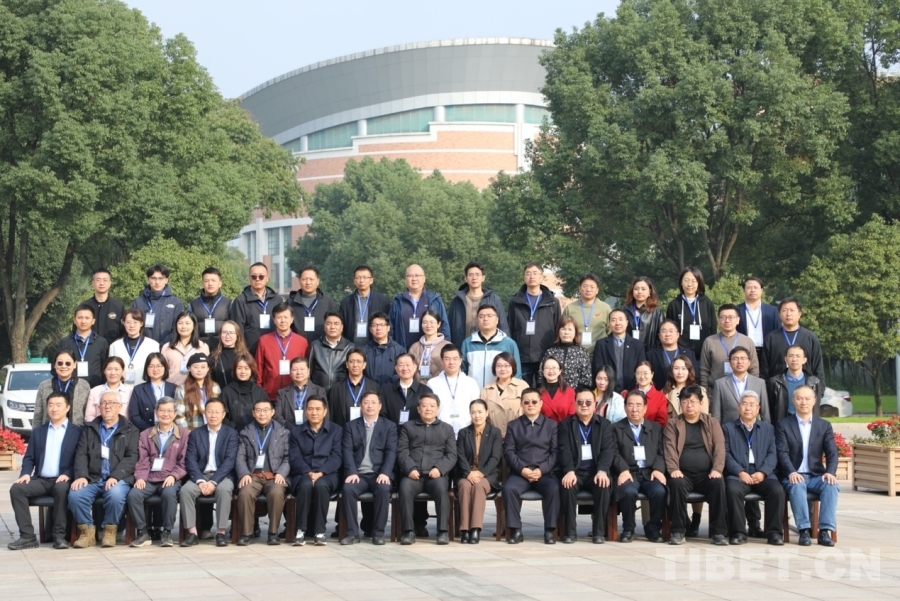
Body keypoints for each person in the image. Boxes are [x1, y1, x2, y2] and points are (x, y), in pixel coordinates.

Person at [8, 392, 82, 550]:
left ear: (67, 408)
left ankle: (59, 536)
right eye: (51, 405)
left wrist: (68, 473)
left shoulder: (77, 432)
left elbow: (80, 458)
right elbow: (29, 457)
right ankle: (27, 536)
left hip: (64, 479)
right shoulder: (39, 432)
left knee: (61, 489)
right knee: (17, 489)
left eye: (59, 405)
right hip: (41, 480)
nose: (54, 409)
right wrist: (25, 474)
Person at [68, 391, 139, 548]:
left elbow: (132, 457)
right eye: (104, 403)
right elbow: (81, 454)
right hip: (92, 477)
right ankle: (87, 533)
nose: (107, 406)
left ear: (119, 406)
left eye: (112, 403)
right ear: (98, 407)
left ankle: (109, 531)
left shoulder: (130, 430)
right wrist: (81, 476)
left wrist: (115, 476)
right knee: (76, 495)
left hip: (118, 478)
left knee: (115, 494)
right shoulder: (89, 428)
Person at [775, 385, 839, 546]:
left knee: (831, 485)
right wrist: (791, 472)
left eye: (807, 398)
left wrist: (830, 472)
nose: (803, 402)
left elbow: (832, 453)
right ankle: (804, 530)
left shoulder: (824, 426)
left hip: (816, 475)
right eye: (799, 398)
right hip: (792, 475)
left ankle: (824, 531)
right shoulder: (783, 424)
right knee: (797, 485)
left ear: (814, 401)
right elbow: (782, 452)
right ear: (793, 400)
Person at [664, 386, 728, 545]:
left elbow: (720, 449)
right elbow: (669, 449)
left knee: (718, 483)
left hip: (706, 474)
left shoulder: (712, 423)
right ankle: (678, 531)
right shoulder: (673, 423)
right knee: (676, 484)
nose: (689, 405)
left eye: (692, 401)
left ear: (701, 403)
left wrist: (717, 469)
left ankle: (718, 532)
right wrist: (674, 469)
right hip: (682, 474)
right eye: (684, 402)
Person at [722, 390, 785, 546]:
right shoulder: (728, 428)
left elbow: (773, 454)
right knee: (732, 490)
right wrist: (740, 472)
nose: (748, 408)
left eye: (752, 404)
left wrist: (763, 472)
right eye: (744, 404)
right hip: (738, 474)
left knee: (777, 491)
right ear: (738, 407)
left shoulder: (768, 428)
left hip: (763, 473)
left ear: (758, 408)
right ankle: (738, 532)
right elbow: (726, 454)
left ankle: (774, 533)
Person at [127, 397, 189, 547]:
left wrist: (174, 476)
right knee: (134, 495)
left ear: (175, 414)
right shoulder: (145, 434)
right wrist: (141, 477)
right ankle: (143, 532)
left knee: (169, 493)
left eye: (169, 411)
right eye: (162, 410)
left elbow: (184, 461)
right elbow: (142, 459)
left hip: (170, 478)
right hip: (149, 478)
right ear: (156, 412)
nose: (165, 414)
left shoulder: (184, 434)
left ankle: (166, 532)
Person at [397, 393, 457, 545]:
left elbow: (451, 455)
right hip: (414, 474)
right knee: (404, 488)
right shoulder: (408, 427)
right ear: (418, 409)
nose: (428, 409)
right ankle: (408, 531)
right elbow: (402, 452)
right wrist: (410, 468)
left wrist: (440, 469)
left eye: (432, 406)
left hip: (436, 475)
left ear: (438, 409)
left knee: (442, 489)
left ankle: (442, 531)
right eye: (424, 406)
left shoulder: (447, 429)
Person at [558, 387, 616, 544]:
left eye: (588, 402)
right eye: (580, 402)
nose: (584, 405)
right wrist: (569, 470)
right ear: (575, 404)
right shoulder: (565, 425)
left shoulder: (605, 425)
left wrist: (602, 470)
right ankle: (570, 532)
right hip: (575, 471)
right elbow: (564, 450)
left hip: (595, 471)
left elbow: (608, 450)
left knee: (604, 485)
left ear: (595, 404)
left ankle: (599, 532)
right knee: (567, 486)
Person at [179, 398, 239, 547]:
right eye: (210, 411)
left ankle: (220, 532)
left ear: (223, 414)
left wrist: (213, 482)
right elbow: (190, 459)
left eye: (217, 412)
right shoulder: (195, 434)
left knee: (224, 490)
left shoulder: (231, 434)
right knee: (186, 491)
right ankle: (192, 533)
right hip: (201, 475)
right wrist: (200, 480)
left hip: (222, 476)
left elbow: (229, 461)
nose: (213, 415)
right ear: (205, 413)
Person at [503, 388, 560, 545]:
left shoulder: (552, 425)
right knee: (509, 488)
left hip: (544, 473)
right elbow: (509, 452)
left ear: (541, 403)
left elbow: (555, 453)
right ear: (521, 404)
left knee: (554, 488)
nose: (530, 405)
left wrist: (541, 470)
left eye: (534, 402)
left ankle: (549, 530)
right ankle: (516, 530)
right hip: (521, 473)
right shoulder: (514, 425)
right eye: (526, 402)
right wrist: (523, 469)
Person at [340, 392, 397, 546]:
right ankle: (352, 533)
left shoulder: (389, 426)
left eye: (373, 402)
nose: (369, 406)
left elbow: (391, 452)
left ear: (380, 406)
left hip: (379, 474)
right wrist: (352, 472)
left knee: (383, 490)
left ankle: (378, 533)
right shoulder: (351, 426)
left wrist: (385, 473)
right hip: (359, 474)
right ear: (361, 406)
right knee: (348, 489)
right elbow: (347, 451)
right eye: (366, 402)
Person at [611, 390, 667, 543]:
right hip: (629, 472)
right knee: (628, 492)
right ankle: (629, 529)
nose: (634, 409)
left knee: (659, 491)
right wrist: (623, 469)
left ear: (645, 408)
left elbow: (662, 452)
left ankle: (653, 528)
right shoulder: (616, 428)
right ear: (625, 408)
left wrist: (658, 469)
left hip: (650, 472)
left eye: (638, 405)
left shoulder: (656, 428)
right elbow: (613, 452)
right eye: (630, 405)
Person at [235, 398, 291, 546]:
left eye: (266, 410)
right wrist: (244, 474)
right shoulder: (245, 432)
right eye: (258, 410)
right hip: (253, 475)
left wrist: (281, 473)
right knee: (245, 493)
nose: (262, 414)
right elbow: (240, 457)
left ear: (272, 412)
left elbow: (288, 457)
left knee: (276, 493)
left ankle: (273, 533)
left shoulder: (283, 432)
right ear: (253, 413)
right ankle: (247, 533)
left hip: (274, 475)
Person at [289, 396, 342, 546]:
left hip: (328, 474)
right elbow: (295, 457)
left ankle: (320, 531)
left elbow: (337, 456)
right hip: (303, 472)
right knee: (305, 485)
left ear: (325, 411)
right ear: (306, 411)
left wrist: (322, 472)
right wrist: (308, 472)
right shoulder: (296, 432)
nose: (314, 412)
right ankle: (300, 530)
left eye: (318, 409)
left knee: (321, 485)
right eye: (310, 409)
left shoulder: (336, 430)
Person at [455, 399, 502, 544]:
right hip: (466, 474)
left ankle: (475, 528)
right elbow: (460, 455)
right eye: (473, 412)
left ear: (487, 413)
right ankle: (464, 529)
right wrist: (469, 473)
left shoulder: (495, 432)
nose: (477, 415)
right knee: (465, 486)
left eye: (480, 412)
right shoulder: (463, 432)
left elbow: (495, 457)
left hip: (487, 475)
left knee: (478, 486)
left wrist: (480, 473)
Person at [507, 262, 561, 386]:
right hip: (521, 355)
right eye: (528, 273)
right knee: (523, 389)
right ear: (524, 277)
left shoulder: (552, 302)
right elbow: (510, 327)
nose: (532, 276)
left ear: (542, 277)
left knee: (543, 390)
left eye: (535, 273)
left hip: (545, 354)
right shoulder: (515, 302)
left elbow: (558, 327)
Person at [762, 298, 826, 383]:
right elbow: (764, 370)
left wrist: (819, 389)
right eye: (784, 310)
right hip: (777, 388)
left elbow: (818, 369)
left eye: (792, 310)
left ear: (799, 314)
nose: (788, 314)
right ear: (779, 314)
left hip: (805, 388)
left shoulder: (810, 338)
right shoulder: (771, 338)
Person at [255, 302, 310, 401]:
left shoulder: (302, 342)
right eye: (279, 317)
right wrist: (259, 391)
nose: (283, 320)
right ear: (274, 320)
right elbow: (259, 368)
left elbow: (306, 369)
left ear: (292, 319)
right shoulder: (264, 340)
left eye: (286, 317)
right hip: (270, 394)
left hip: (295, 395)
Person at [389, 264, 451, 350]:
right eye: (410, 276)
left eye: (417, 275)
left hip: (430, 352)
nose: (414, 279)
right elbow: (390, 329)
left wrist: (446, 350)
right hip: (403, 352)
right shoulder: (398, 301)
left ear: (424, 278)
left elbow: (444, 327)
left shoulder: (435, 300)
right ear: (405, 279)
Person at [460, 303, 521, 389]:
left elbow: (516, 372)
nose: (485, 319)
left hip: (499, 393)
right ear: (477, 320)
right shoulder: (468, 343)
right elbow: (462, 370)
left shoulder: (509, 343)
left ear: (497, 320)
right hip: (473, 392)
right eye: (481, 316)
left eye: (489, 316)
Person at [449, 261, 510, 345]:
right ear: (466, 278)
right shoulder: (457, 301)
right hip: (462, 347)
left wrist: (506, 347)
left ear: (483, 278)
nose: (474, 278)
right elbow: (449, 326)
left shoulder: (494, 300)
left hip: (489, 347)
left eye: (477, 274)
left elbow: (503, 326)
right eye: (470, 275)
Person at [229, 262, 285, 354]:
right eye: (254, 277)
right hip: (250, 351)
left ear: (267, 278)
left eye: (261, 276)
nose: (257, 279)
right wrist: (242, 353)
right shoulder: (241, 300)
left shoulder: (277, 299)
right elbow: (238, 329)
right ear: (249, 278)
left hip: (274, 349)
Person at [699, 304, 760, 388]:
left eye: (731, 317)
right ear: (718, 320)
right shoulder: (709, 342)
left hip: (742, 390)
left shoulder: (747, 342)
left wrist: (751, 390)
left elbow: (754, 369)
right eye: (723, 317)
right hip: (715, 390)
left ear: (738, 320)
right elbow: (704, 370)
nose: (727, 320)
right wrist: (705, 391)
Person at [427, 344, 479, 435]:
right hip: (440, 433)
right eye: (447, 359)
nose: (451, 362)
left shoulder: (471, 383)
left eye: (455, 359)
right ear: (441, 361)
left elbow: (476, 408)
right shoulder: (432, 383)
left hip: (467, 432)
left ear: (460, 361)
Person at [665, 267, 717, 357]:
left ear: (699, 283)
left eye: (693, 281)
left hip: (703, 353)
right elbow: (669, 330)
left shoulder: (707, 303)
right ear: (681, 282)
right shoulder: (674, 305)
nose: (689, 284)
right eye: (686, 280)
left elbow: (713, 328)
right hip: (680, 354)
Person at [710, 346, 771, 424]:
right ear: (730, 363)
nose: (739, 362)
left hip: (753, 429)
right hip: (728, 429)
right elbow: (716, 416)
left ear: (749, 362)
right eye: (735, 359)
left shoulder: (759, 383)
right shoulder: (720, 384)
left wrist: (766, 429)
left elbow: (765, 414)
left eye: (743, 358)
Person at [591, 309, 647, 393]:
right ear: (609, 323)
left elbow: (641, 369)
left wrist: (631, 390)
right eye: (613, 320)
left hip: (632, 391)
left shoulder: (637, 345)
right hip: (608, 391)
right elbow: (597, 369)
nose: (617, 323)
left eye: (621, 319)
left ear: (626, 323)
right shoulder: (601, 344)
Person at [34, 349, 91, 427]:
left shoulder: (83, 386)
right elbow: (38, 415)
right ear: (55, 365)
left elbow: (88, 414)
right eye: (60, 363)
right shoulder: (44, 386)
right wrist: (36, 433)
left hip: (77, 431)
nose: (64, 366)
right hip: (49, 431)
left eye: (68, 363)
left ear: (74, 364)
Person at [57, 304, 110, 388]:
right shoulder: (65, 342)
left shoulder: (101, 342)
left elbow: (106, 366)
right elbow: (56, 366)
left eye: (87, 318)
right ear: (74, 320)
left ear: (93, 321)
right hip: (71, 388)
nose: (83, 321)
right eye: (80, 318)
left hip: (95, 388)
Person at [338, 265, 392, 347]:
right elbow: (341, 326)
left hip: (375, 347)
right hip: (351, 347)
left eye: (365, 277)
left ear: (371, 280)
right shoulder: (346, 302)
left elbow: (388, 325)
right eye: (358, 278)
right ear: (354, 281)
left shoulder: (383, 301)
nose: (361, 281)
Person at [130, 264, 184, 345]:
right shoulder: (137, 303)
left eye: (161, 278)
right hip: (142, 347)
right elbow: (132, 326)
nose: (157, 282)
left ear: (166, 280)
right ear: (148, 279)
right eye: (153, 278)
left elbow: (177, 329)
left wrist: (162, 345)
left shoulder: (176, 303)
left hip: (167, 347)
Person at [768, 345, 825, 420]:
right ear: (785, 359)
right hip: (783, 423)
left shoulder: (814, 382)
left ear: (804, 360)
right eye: (791, 356)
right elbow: (771, 408)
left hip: (806, 423)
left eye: (798, 356)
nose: (794, 359)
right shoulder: (775, 382)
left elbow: (816, 408)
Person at [327, 348, 381, 427]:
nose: (355, 365)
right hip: (343, 431)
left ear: (364, 365)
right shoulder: (336, 389)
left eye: (359, 361)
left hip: (367, 430)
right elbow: (331, 416)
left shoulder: (374, 387)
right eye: (351, 361)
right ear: (347, 364)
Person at [562, 273, 612, 355]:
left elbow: (610, 331)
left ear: (597, 290)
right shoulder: (570, 308)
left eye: (592, 287)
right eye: (585, 286)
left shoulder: (605, 308)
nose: (588, 289)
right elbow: (562, 331)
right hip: (575, 354)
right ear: (579, 289)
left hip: (600, 354)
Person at [480, 352, 528, 437]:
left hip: (518, 435)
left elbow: (528, 411)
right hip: (493, 437)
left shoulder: (522, 386)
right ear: (494, 368)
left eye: (506, 366)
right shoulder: (487, 389)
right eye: (499, 366)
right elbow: (482, 415)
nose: (502, 369)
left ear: (513, 367)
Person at [108, 308, 161, 386]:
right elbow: (111, 368)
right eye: (128, 322)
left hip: (145, 387)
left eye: (135, 322)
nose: (132, 325)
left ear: (141, 323)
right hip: (121, 387)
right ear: (124, 323)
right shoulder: (115, 346)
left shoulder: (153, 345)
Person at [536, 317, 593, 389]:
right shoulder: (551, 352)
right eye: (563, 329)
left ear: (575, 332)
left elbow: (586, 378)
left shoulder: (582, 352)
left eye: (570, 329)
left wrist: (577, 393)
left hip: (575, 393)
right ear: (558, 331)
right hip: (552, 392)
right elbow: (541, 375)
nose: (566, 332)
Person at [288, 264, 337, 344]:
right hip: (297, 345)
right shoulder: (291, 302)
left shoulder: (327, 301)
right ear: (299, 280)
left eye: (311, 279)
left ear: (318, 281)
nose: (308, 282)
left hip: (322, 346)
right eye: (304, 279)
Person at [380, 354, 433, 426]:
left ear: (415, 367)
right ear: (396, 368)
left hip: (417, 431)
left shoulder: (425, 391)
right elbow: (382, 415)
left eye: (408, 365)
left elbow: (429, 415)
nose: (405, 368)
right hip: (393, 431)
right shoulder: (386, 390)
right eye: (401, 365)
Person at [128, 353, 176, 432]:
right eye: (151, 366)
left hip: (171, 432)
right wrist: (151, 431)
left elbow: (179, 413)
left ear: (165, 368)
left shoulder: (174, 388)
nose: (155, 369)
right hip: (146, 432)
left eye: (159, 366)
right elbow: (134, 416)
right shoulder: (138, 389)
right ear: (146, 369)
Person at [160, 312, 210, 387]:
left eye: (187, 323)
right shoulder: (167, 347)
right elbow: (162, 371)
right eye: (180, 323)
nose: (183, 326)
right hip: (172, 388)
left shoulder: (203, 347)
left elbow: (207, 371)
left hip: (195, 389)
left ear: (194, 326)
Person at [221, 354, 270, 432]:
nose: (243, 371)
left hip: (256, 433)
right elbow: (222, 416)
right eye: (239, 368)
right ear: (235, 370)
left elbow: (267, 414)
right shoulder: (227, 392)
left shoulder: (260, 392)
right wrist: (234, 428)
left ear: (251, 370)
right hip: (233, 433)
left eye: (246, 368)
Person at [307, 311, 353, 391]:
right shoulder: (315, 346)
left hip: (341, 391)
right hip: (318, 391)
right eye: (329, 324)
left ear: (342, 327)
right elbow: (308, 370)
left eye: (336, 324)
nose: (332, 327)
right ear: (324, 327)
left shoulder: (350, 347)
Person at [275, 357, 327, 428]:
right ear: (290, 373)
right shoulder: (282, 393)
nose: (299, 372)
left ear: (308, 371)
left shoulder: (319, 391)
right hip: (289, 431)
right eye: (295, 370)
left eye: (302, 369)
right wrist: (293, 430)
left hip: (313, 431)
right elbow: (277, 417)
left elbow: (324, 414)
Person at [648, 320, 699, 391]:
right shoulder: (651, 355)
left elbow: (695, 376)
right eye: (664, 331)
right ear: (659, 335)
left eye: (671, 331)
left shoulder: (689, 354)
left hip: (685, 394)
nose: (667, 334)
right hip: (660, 393)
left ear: (678, 334)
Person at [175, 353, 222, 431]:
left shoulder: (215, 387)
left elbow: (220, 411)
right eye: (195, 367)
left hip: (213, 431)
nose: (199, 370)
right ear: (189, 368)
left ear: (208, 368)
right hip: (192, 431)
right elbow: (179, 416)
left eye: (203, 367)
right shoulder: (182, 389)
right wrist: (189, 434)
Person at [736, 277, 781, 357]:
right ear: (744, 290)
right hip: (743, 352)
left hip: (767, 352)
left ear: (761, 290)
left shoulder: (772, 310)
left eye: (755, 287)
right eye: (749, 288)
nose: (752, 290)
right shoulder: (736, 310)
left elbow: (778, 332)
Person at [188, 267, 232, 350]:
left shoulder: (228, 303)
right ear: (202, 283)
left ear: (220, 283)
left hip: (222, 349)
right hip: (199, 349)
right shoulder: (193, 304)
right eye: (206, 281)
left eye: (213, 280)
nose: (210, 283)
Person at [84, 357, 134, 422]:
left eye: (116, 369)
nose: (113, 373)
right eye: (109, 369)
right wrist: (98, 427)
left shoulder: (131, 391)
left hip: (125, 427)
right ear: (104, 371)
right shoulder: (95, 391)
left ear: (122, 371)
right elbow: (89, 416)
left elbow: (134, 415)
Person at [82, 268, 125, 344]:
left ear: (110, 283)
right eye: (98, 280)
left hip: (112, 349)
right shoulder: (85, 306)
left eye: (105, 280)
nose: (101, 283)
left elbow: (124, 332)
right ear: (93, 283)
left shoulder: (119, 306)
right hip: (89, 348)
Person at [363, 312, 406, 386]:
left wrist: (388, 387)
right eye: (374, 325)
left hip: (392, 390)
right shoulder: (364, 351)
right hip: (369, 390)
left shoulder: (399, 350)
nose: (378, 328)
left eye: (382, 325)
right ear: (370, 329)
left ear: (388, 328)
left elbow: (402, 372)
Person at [624, 276, 664, 353]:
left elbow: (661, 334)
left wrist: (654, 352)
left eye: (643, 289)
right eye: (636, 289)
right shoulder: (625, 310)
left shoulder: (657, 311)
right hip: (629, 352)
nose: (639, 292)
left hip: (650, 353)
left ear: (650, 292)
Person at [209, 320, 251, 390]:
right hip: (220, 394)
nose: (227, 336)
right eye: (224, 332)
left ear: (237, 336)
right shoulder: (213, 356)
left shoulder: (245, 356)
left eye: (231, 333)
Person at [408, 310, 450, 380]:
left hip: (440, 385)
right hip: (418, 385)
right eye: (425, 322)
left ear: (439, 324)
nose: (428, 325)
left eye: (432, 322)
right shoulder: (414, 347)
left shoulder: (448, 346)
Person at [629, 361, 669, 428]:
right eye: (638, 373)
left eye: (645, 373)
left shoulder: (660, 397)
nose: (642, 376)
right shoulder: (626, 395)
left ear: (652, 374)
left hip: (653, 433)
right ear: (635, 374)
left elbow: (661, 422)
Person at [537, 356, 575, 423]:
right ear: (543, 371)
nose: (551, 370)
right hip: (544, 428)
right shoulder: (537, 393)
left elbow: (573, 416)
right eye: (547, 368)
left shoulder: (570, 392)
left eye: (554, 367)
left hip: (564, 428)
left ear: (560, 371)